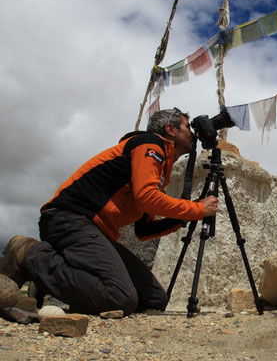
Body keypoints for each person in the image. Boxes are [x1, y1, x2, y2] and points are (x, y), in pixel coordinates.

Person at [0, 108, 218, 315]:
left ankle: (50, 276)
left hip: (94, 231)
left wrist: (182, 219)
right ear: (171, 130)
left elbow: (143, 229)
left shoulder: (161, 167)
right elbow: (146, 197)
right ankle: (29, 255)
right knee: (121, 298)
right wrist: (196, 209)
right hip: (69, 218)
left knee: (154, 300)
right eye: (187, 127)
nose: (192, 133)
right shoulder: (149, 144)